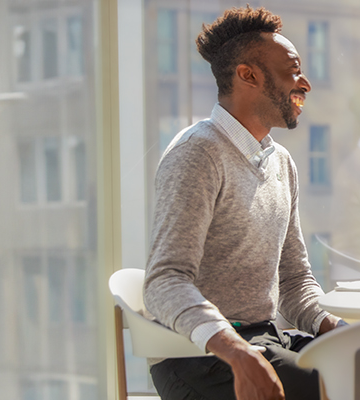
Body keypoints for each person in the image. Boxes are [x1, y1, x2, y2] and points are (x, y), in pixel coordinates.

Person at [141, 7, 333, 400]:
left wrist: (336, 328)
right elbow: (164, 281)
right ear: (248, 75)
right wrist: (237, 351)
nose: (305, 83)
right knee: (334, 387)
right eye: (293, 70)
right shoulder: (197, 154)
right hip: (197, 355)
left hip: (262, 338)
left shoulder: (281, 163)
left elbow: (294, 279)